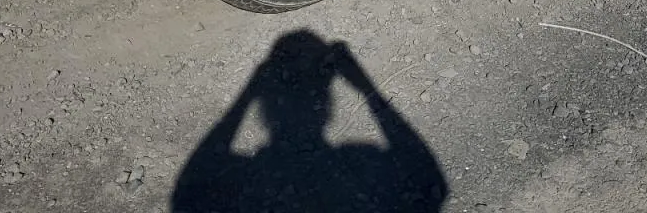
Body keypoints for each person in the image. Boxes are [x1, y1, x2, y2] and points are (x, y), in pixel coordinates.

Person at [171, 30, 447, 213]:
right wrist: (364, 87)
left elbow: (189, 190)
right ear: (328, 109)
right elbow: (427, 176)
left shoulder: (246, 178)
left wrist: (246, 95)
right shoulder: (357, 161)